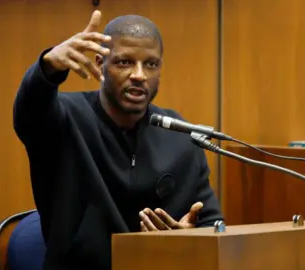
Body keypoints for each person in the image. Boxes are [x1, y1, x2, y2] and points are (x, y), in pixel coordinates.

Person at [13, 10, 223, 270]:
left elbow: (213, 226)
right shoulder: (63, 119)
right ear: (100, 62)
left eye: (151, 64)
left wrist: (187, 239)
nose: (139, 75)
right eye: (124, 62)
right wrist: (48, 67)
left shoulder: (180, 135)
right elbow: (29, 113)